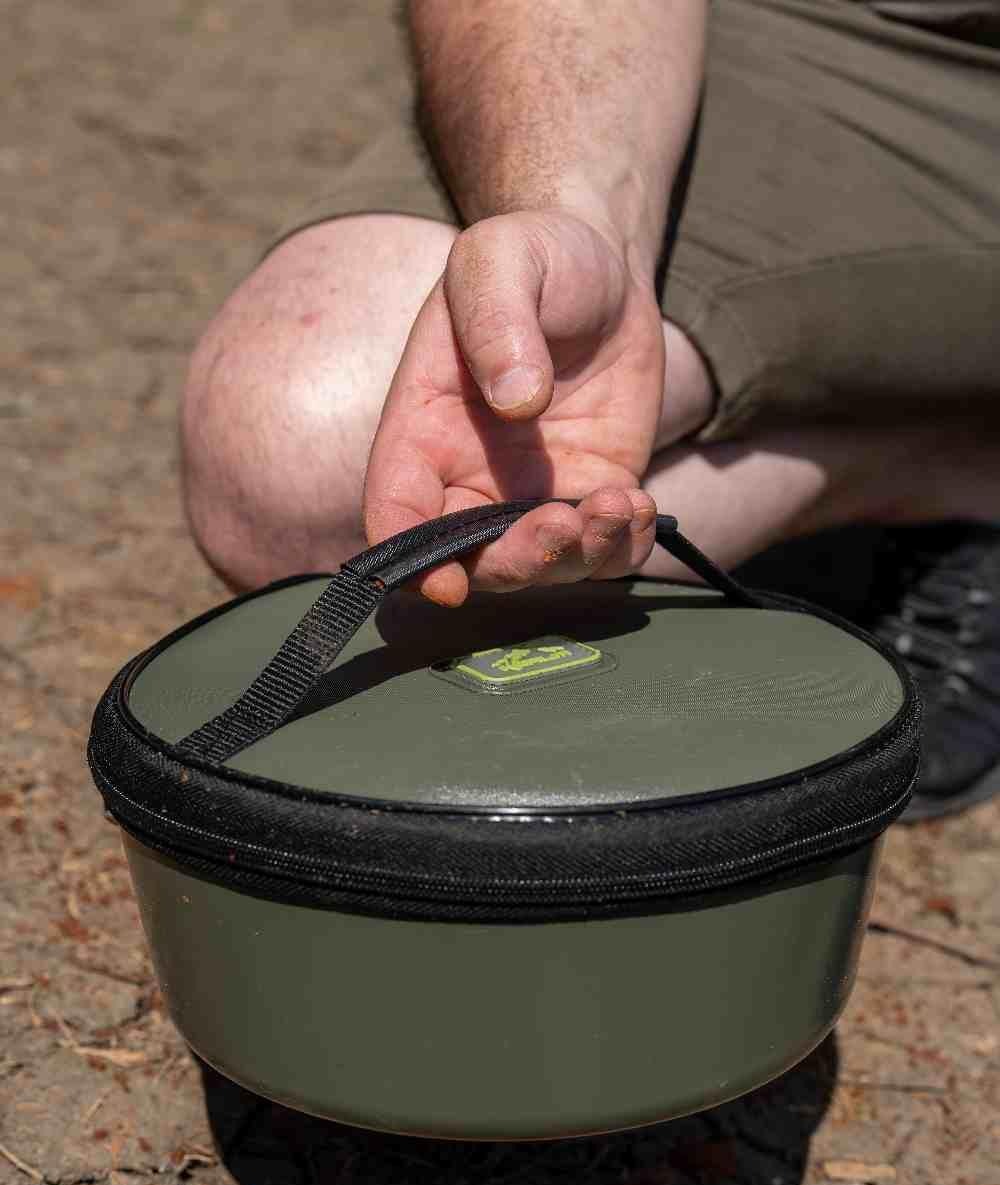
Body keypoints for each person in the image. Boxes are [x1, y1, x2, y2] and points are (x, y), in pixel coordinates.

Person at [179, 0, 1000, 818]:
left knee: (471, 530)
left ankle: (965, 452)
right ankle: (915, 461)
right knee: (299, 463)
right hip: (780, 32)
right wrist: (579, 217)